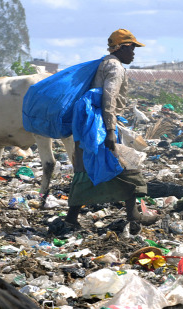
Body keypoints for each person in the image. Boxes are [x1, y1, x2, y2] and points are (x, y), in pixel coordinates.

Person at [65, 29, 159, 227]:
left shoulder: (103, 63)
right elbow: (109, 99)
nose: (133, 53)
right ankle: (133, 215)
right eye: (132, 48)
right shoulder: (115, 67)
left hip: (88, 123)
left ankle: (71, 218)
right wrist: (109, 130)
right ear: (122, 48)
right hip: (100, 125)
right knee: (124, 167)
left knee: (87, 167)